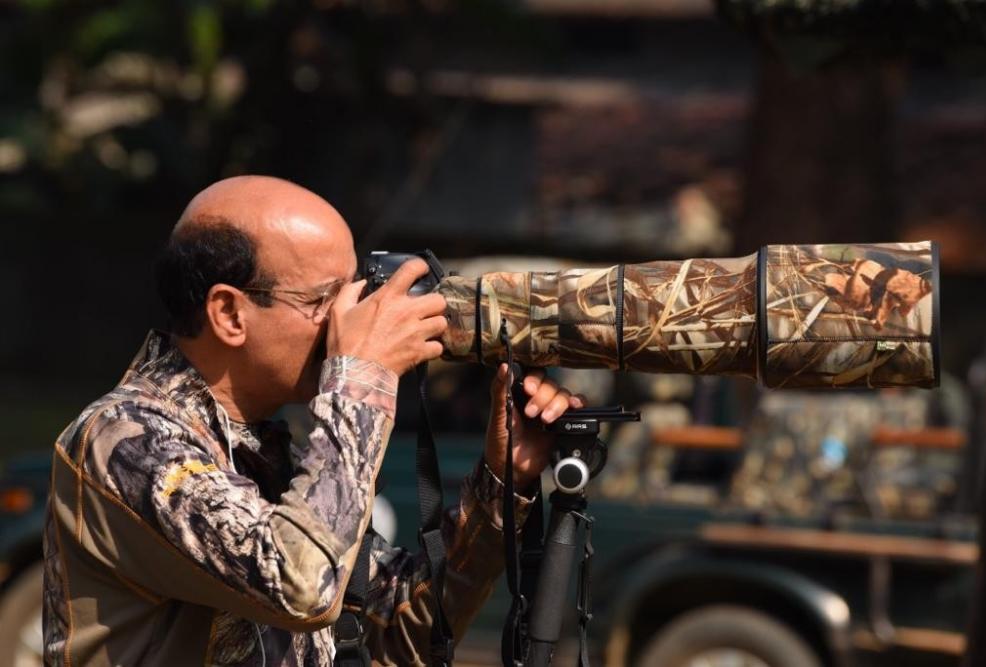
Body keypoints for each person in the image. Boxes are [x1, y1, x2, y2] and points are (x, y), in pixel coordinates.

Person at [42, 175, 584, 666]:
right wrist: (362, 375)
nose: (351, 317)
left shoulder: (270, 448)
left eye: (356, 290)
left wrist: (500, 481)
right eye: (325, 298)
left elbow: (398, 635)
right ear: (229, 314)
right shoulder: (124, 440)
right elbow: (299, 585)